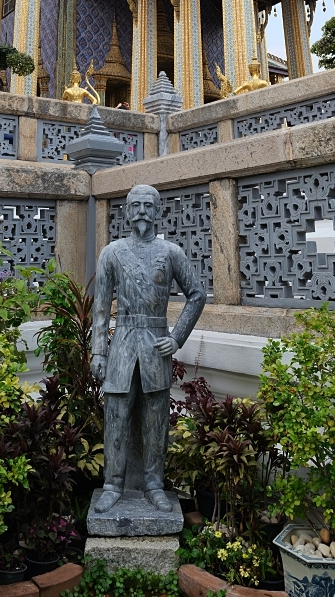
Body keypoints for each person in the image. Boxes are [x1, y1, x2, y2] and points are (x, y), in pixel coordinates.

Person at [91, 184, 206, 513]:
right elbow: (100, 308)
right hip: (122, 345)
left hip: (157, 345)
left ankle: (155, 484)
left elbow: (196, 295)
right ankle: (112, 483)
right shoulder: (111, 253)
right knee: (115, 415)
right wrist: (99, 352)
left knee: (156, 420)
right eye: (135, 205)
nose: (141, 210)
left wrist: (178, 337)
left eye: (148, 205)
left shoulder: (171, 253)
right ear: (126, 212)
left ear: (158, 212)